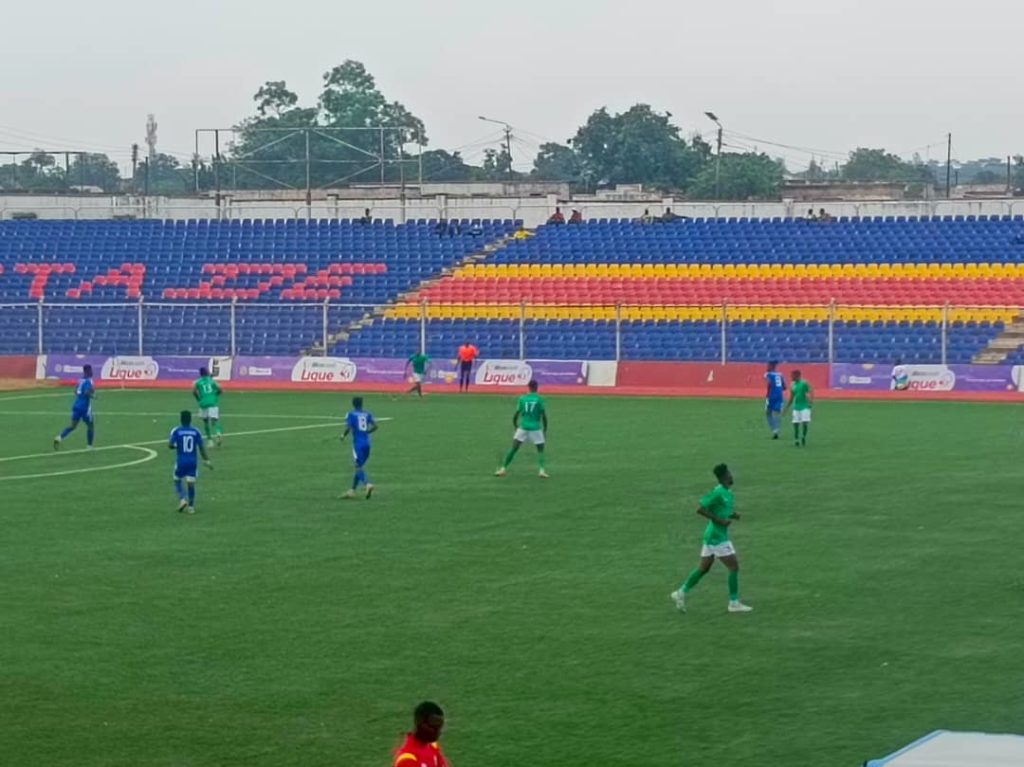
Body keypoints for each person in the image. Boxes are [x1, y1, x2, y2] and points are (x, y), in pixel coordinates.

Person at [670, 463, 752, 614]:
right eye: (729, 473)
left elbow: (722, 510)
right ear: (724, 477)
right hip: (717, 537)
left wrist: (733, 515)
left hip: (713, 536)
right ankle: (734, 603)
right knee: (734, 567)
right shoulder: (718, 492)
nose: (731, 475)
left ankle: (680, 593)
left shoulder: (727, 493)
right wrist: (720, 521)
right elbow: (700, 509)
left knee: (703, 569)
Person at [495, 379, 549, 478]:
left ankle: (503, 469)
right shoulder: (539, 399)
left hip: (523, 427)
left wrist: (515, 425)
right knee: (540, 450)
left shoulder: (522, 398)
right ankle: (541, 470)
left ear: (528, 387)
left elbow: (516, 414)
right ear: (537, 387)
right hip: (536, 428)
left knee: (514, 448)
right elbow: (544, 415)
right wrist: (545, 429)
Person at [169, 410, 213, 515]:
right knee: (191, 484)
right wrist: (206, 460)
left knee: (177, 479)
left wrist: (176, 446)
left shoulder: (176, 430)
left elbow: (170, 445)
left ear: (181, 419)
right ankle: (191, 507)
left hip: (181, 460)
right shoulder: (195, 431)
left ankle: (182, 499)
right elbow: (201, 447)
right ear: (190, 419)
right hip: (192, 461)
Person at [341, 396, 377, 499]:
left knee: (357, 467)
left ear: (353, 404)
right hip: (367, 444)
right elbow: (375, 426)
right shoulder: (367, 414)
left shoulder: (351, 414)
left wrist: (343, 436)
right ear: (362, 404)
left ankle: (367, 484)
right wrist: (367, 432)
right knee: (359, 467)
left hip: (358, 444)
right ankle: (352, 490)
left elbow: (348, 427)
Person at [392, 701, 448, 767]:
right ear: (420, 724)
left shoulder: (432, 746)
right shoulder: (407, 760)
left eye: (439, 727)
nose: (439, 731)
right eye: (434, 727)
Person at [54, 364, 96, 450]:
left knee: (73, 426)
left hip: (76, 405)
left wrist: (81, 396)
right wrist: (93, 396)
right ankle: (89, 446)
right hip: (84, 407)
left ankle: (59, 437)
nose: (92, 372)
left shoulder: (80, 380)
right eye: (91, 370)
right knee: (90, 425)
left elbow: (75, 391)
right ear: (88, 371)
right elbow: (87, 392)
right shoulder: (89, 381)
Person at [193, 366, 223, 446]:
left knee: (205, 421)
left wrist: (199, 399)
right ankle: (218, 432)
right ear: (207, 373)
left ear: (200, 374)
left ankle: (210, 440)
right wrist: (215, 395)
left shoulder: (198, 382)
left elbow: (194, 391)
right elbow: (220, 389)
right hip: (212, 402)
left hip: (203, 403)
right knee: (215, 420)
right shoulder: (212, 381)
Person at [784, 369, 813, 446]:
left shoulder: (804, 383)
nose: (791, 377)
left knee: (804, 422)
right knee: (795, 423)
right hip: (796, 407)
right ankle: (796, 439)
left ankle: (803, 436)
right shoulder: (792, 385)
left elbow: (808, 393)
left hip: (805, 406)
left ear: (797, 376)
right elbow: (791, 397)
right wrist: (786, 408)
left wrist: (810, 402)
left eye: (792, 376)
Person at [764, 360, 786, 439]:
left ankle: (774, 430)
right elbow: (784, 387)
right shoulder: (780, 375)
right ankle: (777, 430)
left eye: (768, 365)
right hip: (780, 396)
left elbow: (769, 382)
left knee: (768, 413)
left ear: (771, 366)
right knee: (777, 413)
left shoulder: (767, 374)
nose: (767, 367)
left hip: (771, 396)